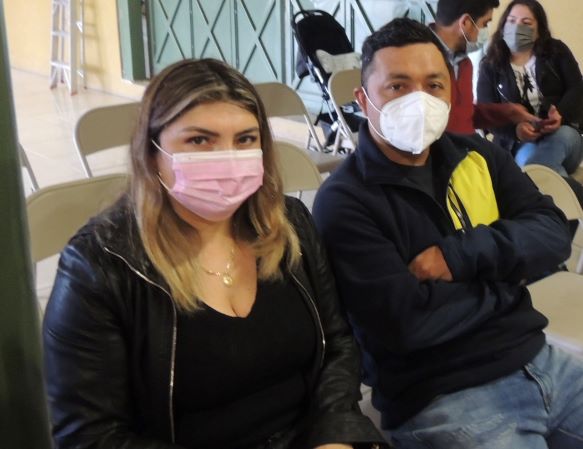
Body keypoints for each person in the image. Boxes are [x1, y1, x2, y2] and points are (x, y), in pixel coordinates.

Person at [42, 58, 386, 449]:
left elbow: (338, 344)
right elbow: (89, 436)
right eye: (199, 140)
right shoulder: (99, 266)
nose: (228, 158)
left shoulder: (288, 225)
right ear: (152, 153)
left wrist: (334, 433)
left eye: (245, 139)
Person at [313, 17, 583, 448]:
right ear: (363, 100)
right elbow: (405, 325)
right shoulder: (344, 201)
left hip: (541, 359)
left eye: (434, 85)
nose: (419, 100)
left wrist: (459, 256)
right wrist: (509, 285)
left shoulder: (478, 156)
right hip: (444, 395)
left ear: (451, 92)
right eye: (398, 86)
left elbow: (553, 234)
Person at [477, 0, 583, 198]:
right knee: (532, 168)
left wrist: (560, 114)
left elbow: (578, 88)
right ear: (503, 25)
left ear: (539, 30)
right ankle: (570, 208)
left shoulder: (557, 51)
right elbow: (486, 113)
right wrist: (516, 131)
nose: (517, 27)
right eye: (511, 21)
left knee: (537, 166)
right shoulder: (490, 65)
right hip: (520, 144)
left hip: (564, 135)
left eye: (526, 23)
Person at [431, 0, 536, 135]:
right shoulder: (420, 59)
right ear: (466, 22)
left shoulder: (463, 63)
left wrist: (508, 112)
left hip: (466, 141)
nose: (486, 31)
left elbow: (463, 114)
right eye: (485, 24)